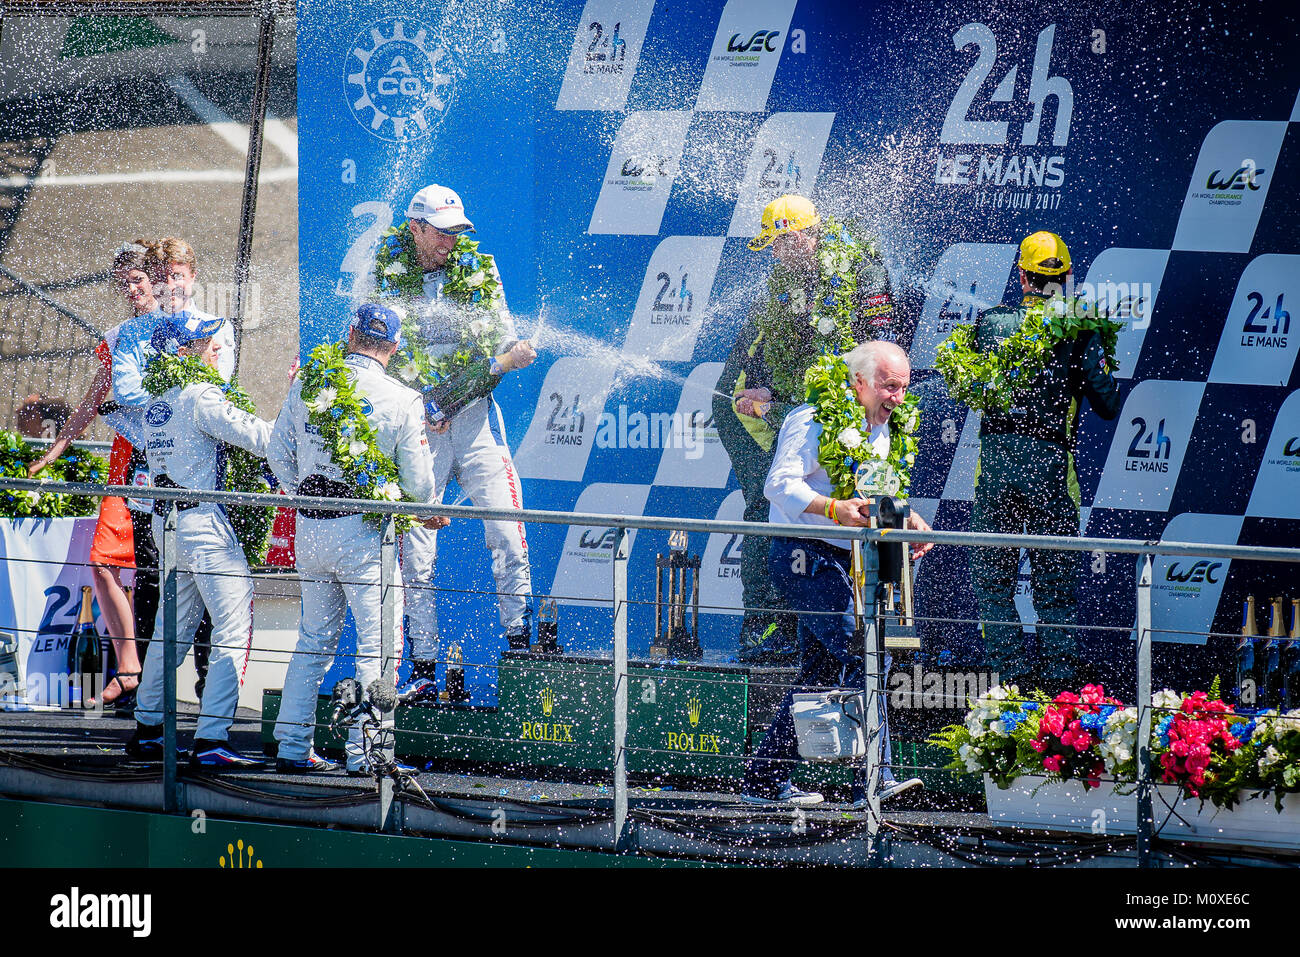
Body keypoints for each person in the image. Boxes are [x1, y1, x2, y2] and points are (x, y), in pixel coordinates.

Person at [741, 341, 932, 807]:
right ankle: (874, 779)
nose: (898, 398)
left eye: (904, 388)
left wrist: (909, 518)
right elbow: (778, 485)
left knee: (822, 671)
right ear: (859, 382)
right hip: (800, 556)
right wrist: (831, 508)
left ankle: (763, 782)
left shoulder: (888, 426)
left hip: (845, 560)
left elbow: (875, 490)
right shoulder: (811, 418)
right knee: (866, 648)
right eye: (890, 386)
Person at [715, 194, 905, 662]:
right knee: (771, 504)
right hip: (776, 417)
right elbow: (757, 369)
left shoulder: (859, 270)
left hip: (835, 412)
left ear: (799, 235)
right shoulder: (779, 285)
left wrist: (855, 402)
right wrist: (771, 399)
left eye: (779, 244)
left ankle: (862, 627)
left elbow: (882, 352)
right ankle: (763, 625)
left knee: (861, 506)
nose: (775, 255)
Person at [269, 303, 443, 775]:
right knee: (378, 642)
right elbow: (421, 488)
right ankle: (366, 753)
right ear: (395, 346)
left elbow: (275, 449)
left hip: (310, 524)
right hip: (364, 533)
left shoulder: (311, 379)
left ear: (351, 333)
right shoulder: (403, 398)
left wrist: (305, 490)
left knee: (313, 640)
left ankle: (290, 746)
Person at [384, 185, 535, 700]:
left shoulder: (481, 272)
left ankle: (521, 648)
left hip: (473, 425)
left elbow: (503, 352)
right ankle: (425, 669)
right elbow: (376, 356)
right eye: (443, 232)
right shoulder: (384, 274)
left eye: (458, 232)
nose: (452, 241)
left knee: (509, 535)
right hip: (417, 431)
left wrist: (448, 398)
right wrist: (422, 404)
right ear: (416, 228)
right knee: (416, 554)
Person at [963, 231, 1121, 688]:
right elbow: (1108, 405)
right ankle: (1060, 701)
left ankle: (1012, 692)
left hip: (994, 470)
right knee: (1055, 594)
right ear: (1067, 276)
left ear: (1022, 276)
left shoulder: (991, 323)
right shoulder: (1080, 327)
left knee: (993, 589)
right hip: (1051, 469)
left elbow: (970, 388)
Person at [124, 315, 271, 768]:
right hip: (203, 525)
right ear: (182, 352)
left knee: (171, 632)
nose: (214, 351)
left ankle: (148, 733)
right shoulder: (201, 394)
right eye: (204, 344)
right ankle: (211, 741)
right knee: (232, 627)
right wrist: (303, 425)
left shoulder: (154, 401)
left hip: (168, 527)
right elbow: (259, 437)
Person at [29, 240, 158, 708]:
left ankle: (162, 677)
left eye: (137, 279)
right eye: (123, 281)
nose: (130, 288)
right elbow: (92, 399)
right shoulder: (119, 334)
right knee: (105, 561)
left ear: (156, 280)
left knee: (156, 575)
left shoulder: (179, 328)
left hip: (170, 464)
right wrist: (56, 448)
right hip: (127, 463)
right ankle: (129, 668)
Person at [111, 238, 234, 696]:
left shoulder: (214, 325)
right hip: (149, 463)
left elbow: (219, 385)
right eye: (162, 276)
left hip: (204, 465)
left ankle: (207, 688)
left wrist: (170, 397)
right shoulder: (133, 332)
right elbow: (127, 392)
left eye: (178, 275)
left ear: (192, 277)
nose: (170, 284)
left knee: (206, 580)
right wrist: (173, 399)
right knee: (150, 577)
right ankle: (143, 691)